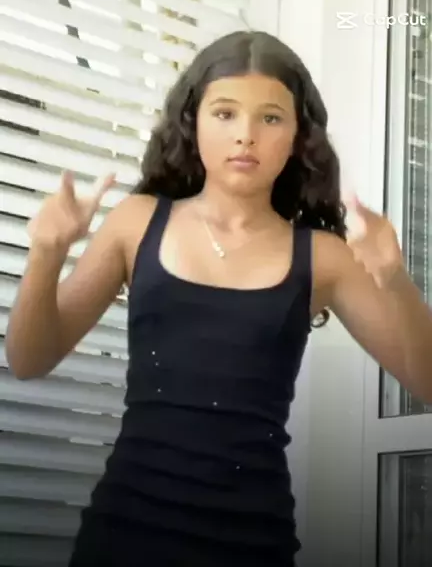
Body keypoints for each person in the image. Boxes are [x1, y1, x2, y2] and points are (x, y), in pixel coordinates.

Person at [5, 30, 432, 567]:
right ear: (193, 122)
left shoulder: (324, 257)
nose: (245, 136)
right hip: (123, 532)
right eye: (225, 113)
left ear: (298, 136)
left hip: (251, 542)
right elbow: (29, 359)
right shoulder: (137, 223)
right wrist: (46, 252)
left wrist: (394, 279)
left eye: (270, 118)